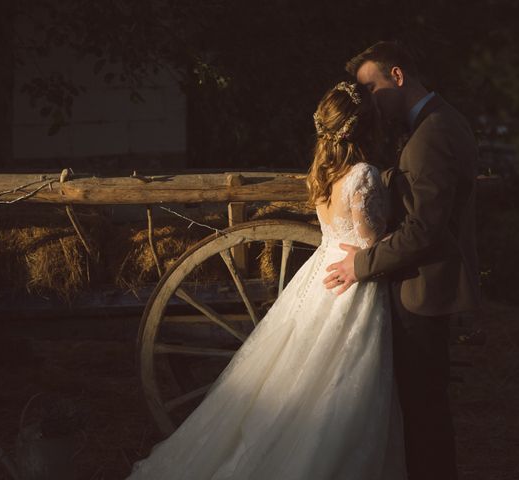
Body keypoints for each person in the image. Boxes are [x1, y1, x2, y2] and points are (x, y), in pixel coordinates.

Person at [125, 80, 407, 479]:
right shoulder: (363, 175)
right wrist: (409, 234)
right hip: (350, 284)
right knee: (341, 384)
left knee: (302, 376)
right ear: (365, 128)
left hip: (318, 279)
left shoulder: (323, 172)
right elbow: (370, 244)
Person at [324, 41, 481, 480]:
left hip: (422, 289)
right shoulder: (436, 122)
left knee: (424, 412)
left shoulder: (433, 133)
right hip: (422, 283)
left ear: (397, 76)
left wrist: (360, 264)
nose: (368, 102)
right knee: (423, 409)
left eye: (370, 88)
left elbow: (423, 230)